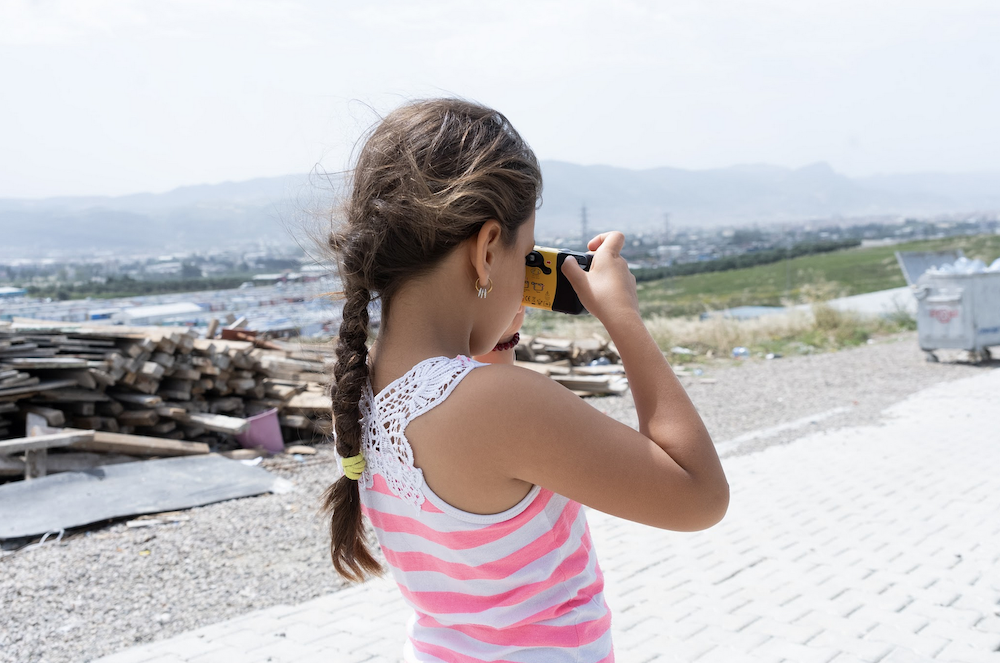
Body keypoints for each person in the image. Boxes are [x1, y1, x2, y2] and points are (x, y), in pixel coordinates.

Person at [322, 98, 729, 663]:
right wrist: (623, 318)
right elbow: (699, 497)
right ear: (487, 249)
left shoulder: (364, 394)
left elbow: (490, 483)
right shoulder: (496, 404)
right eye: (523, 252)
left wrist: (493, 333)